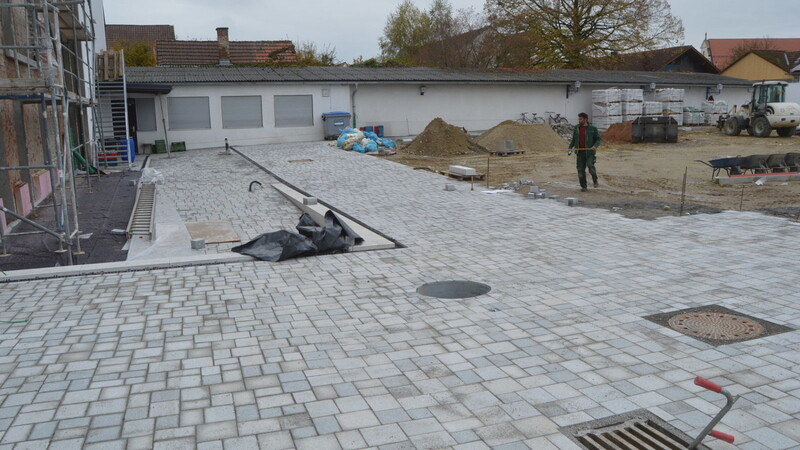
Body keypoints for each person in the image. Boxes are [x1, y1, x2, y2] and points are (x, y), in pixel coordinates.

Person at [568, 112, 601, 192]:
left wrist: (594, 146)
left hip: (589, 153)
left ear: (585, 119)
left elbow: (598, 139)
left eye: (580, 119)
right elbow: (574, 140)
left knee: (590, 166)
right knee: (580, 170)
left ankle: (595, 180)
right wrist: (570, 148)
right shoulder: (576, 128)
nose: (579, 120)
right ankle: (583, 186)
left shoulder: (593, 128)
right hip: (580, 153)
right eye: (579, 119)